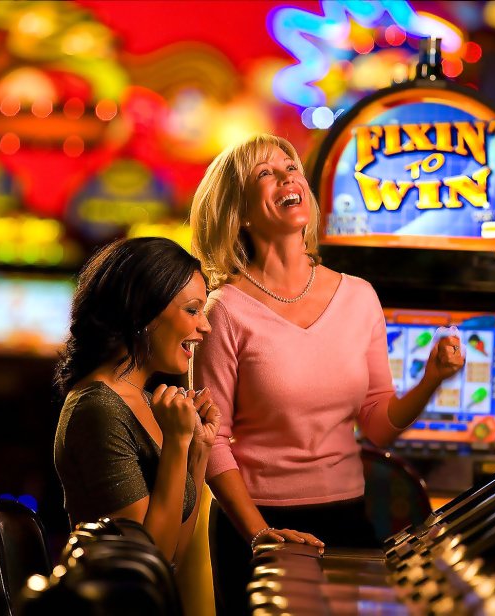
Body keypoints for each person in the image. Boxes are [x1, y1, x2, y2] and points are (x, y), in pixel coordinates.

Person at [190, 134, 465, 614]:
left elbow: (378, 425)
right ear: (242, 213)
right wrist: (260, 534)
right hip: (256, 524)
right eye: (265, 173)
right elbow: (211, 439)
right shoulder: (225, 309)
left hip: (346, 517)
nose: (287, 176)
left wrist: (432, 379)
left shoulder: (359, 296)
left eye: (290, 166)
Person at [53, 237, 220, 565]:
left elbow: (176, 554)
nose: (206, 325)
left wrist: (197, 450)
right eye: (192, 310)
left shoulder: (147, 401)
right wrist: (176, 442)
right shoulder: (98, 408)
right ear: (143, 311)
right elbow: (146, 562)